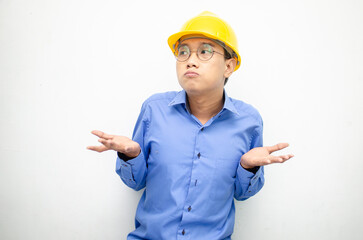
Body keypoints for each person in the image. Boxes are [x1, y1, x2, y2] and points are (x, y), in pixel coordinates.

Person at [87, 11, 294, 240]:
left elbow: (243, 194)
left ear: (229, 66)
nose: (190, 60)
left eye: (204, 51)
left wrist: (247, 167)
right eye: (183, 52)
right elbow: (135, 183)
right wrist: (131, 155)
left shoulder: (248, 121)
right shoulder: (154, 110)